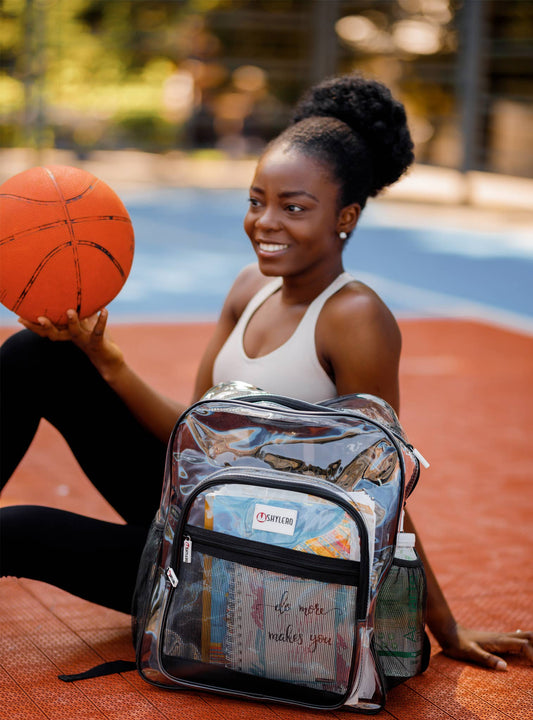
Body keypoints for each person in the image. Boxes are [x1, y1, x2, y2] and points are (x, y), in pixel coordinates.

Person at [1, 74, 531, 670]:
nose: (265, 223)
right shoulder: (250, 287)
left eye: (294, 207)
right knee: (35, 354)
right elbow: (194, 437)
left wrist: (444, 626)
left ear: (346, 216)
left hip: (251, 561)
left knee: (14, 530)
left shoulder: (356, 319)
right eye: (257, 201)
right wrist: (106, 361)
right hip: (201, 503)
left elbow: (383, 488)